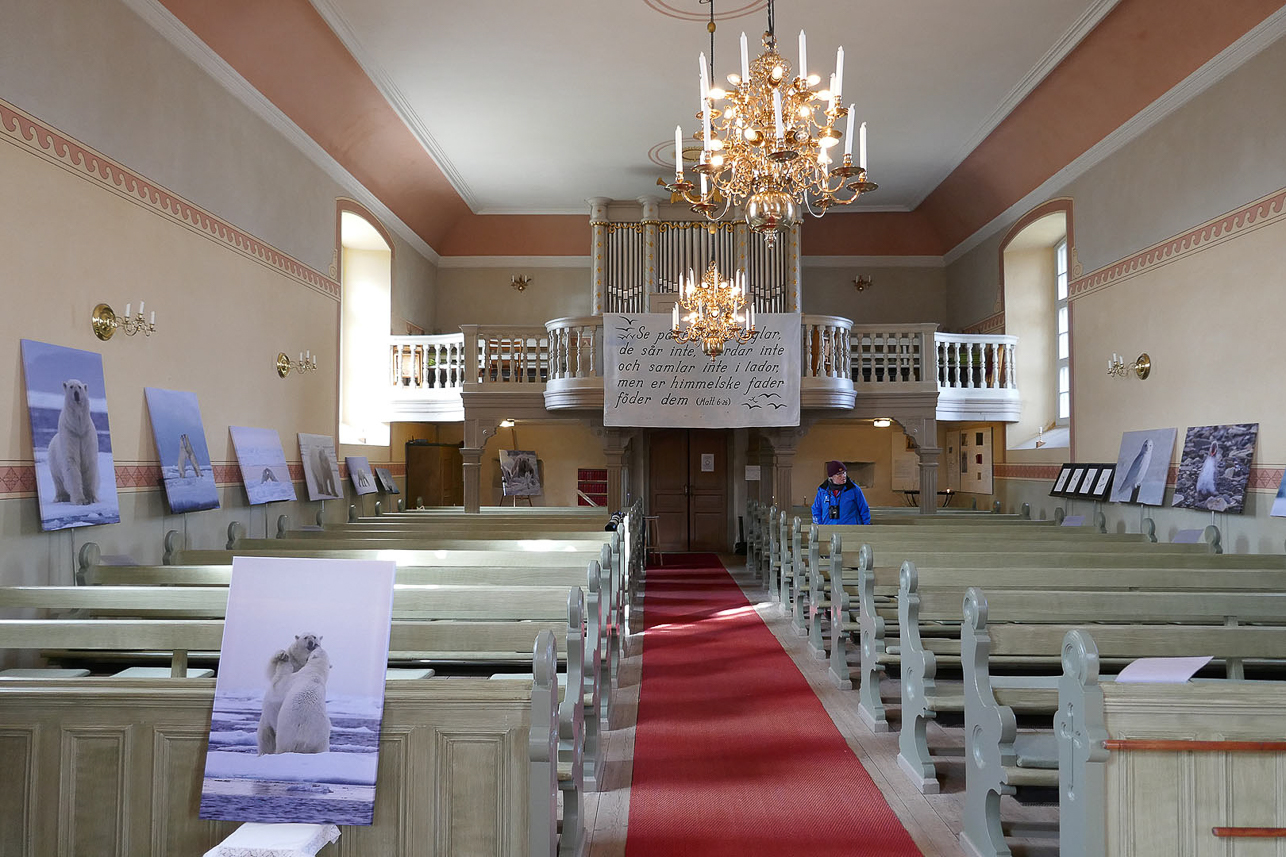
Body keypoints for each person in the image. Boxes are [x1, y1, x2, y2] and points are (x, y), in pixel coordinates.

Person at [811, 460, 871, 525]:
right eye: (839, 474)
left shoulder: (854, 489)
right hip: (829, 528)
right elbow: (816, 510)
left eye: (844, 473)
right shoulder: (822, 491)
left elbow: (864, 509)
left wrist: (866, 526)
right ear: (831, 477)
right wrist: (819, 526)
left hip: (850, 529)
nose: (843, 476)